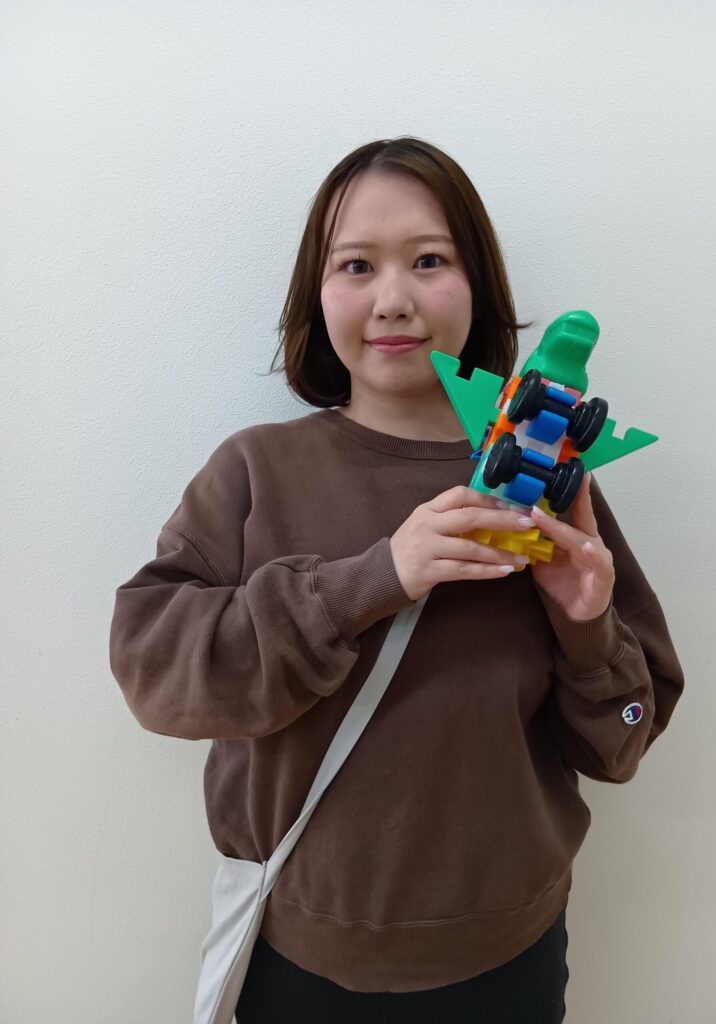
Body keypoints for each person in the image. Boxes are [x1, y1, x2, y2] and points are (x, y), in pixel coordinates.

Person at [109, 136, 684, 1023]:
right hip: (297, 953)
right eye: (355, 265)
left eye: (428, 260)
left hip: (511, 956)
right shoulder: (256, 470)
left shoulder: (553, 486)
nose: (393, 299)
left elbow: (625, 741)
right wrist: (375, 577)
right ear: (315, 294)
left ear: (477, 286)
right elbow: (156, 675)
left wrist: (587, 630)